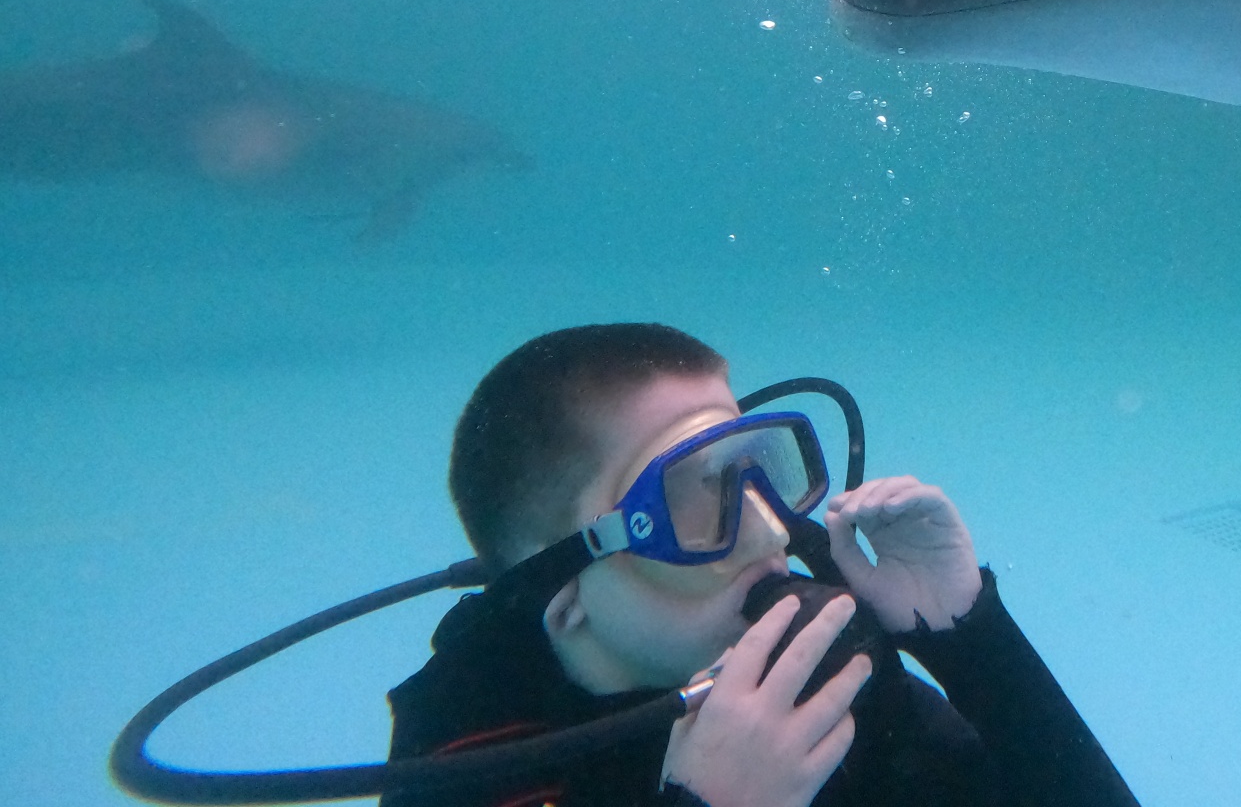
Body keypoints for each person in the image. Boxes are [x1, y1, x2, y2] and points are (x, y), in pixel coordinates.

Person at [383, 322, 1141, 807]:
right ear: (565, 599)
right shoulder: (469, 760)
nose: (772, 530)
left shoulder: (813, 672)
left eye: (751, 469)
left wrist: (972, 640)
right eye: (689, 498)